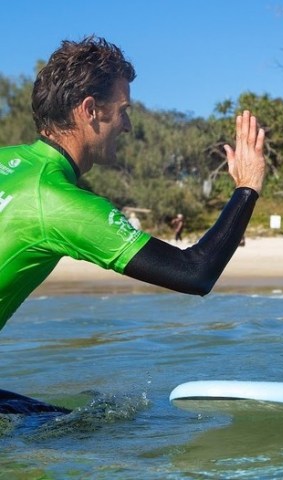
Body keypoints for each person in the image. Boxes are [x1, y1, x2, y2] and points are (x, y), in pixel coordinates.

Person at [0, 36, 266, 412]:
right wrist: (247, 189)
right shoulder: (57, 202)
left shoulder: (8, 161)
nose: (126, 125)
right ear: (90, 110)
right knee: (88, 430)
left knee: (49, 421)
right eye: (123, 109)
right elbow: (195, 273)